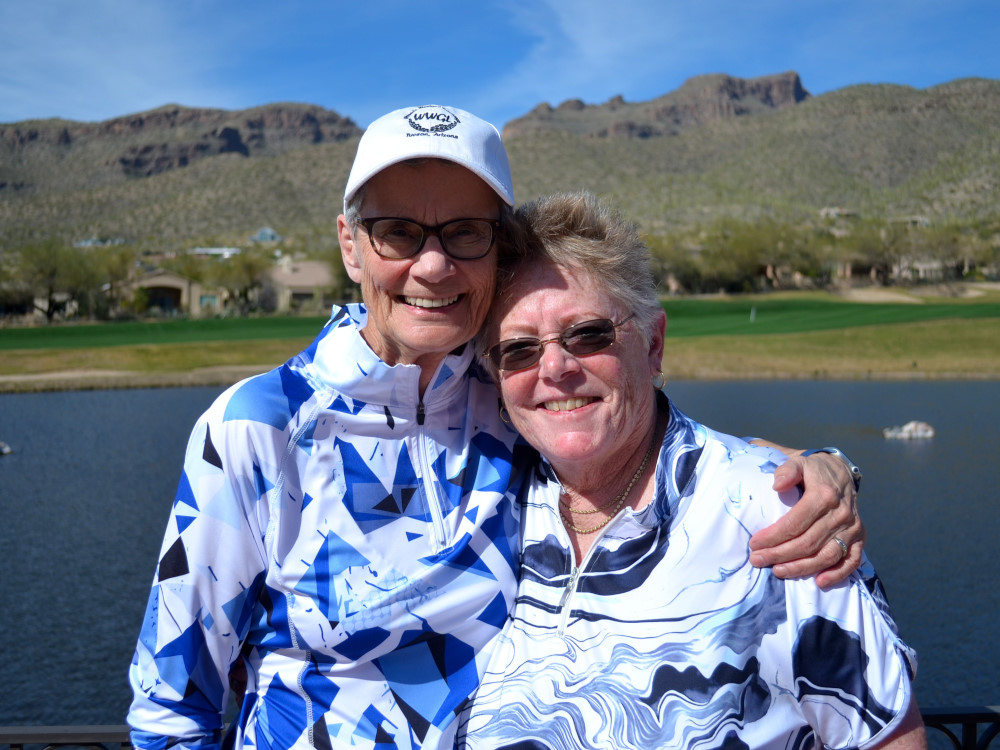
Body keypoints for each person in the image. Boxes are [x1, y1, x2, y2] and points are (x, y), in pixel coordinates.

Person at [127, 106, 866, 750]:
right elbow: (170, 707)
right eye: (397, 233)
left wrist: (815, 472)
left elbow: (656, 444)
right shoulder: (256, 429)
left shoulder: (513, 392)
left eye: (465, 233)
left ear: (496, 250)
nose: (433, 264)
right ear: (350, 246)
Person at [458, 192, 926, 749]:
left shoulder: (777, 516)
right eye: (519, 349)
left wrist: (820, 468)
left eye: (588, 334)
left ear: (653, 344)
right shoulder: (487, 499)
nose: (555, 367)